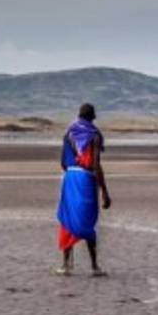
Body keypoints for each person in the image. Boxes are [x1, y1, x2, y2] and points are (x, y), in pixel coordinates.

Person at [56, 103, 112, 276]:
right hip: (86, 178)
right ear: (93, 117)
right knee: (87, 220)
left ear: (79, 115)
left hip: (70, 178)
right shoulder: (94, 135)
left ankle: (66, 265)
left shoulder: (69, 133)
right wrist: (104, 191)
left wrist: (72, 174)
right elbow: (96, 164)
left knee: (69, 219)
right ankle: (94, 266)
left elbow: (63, 163)